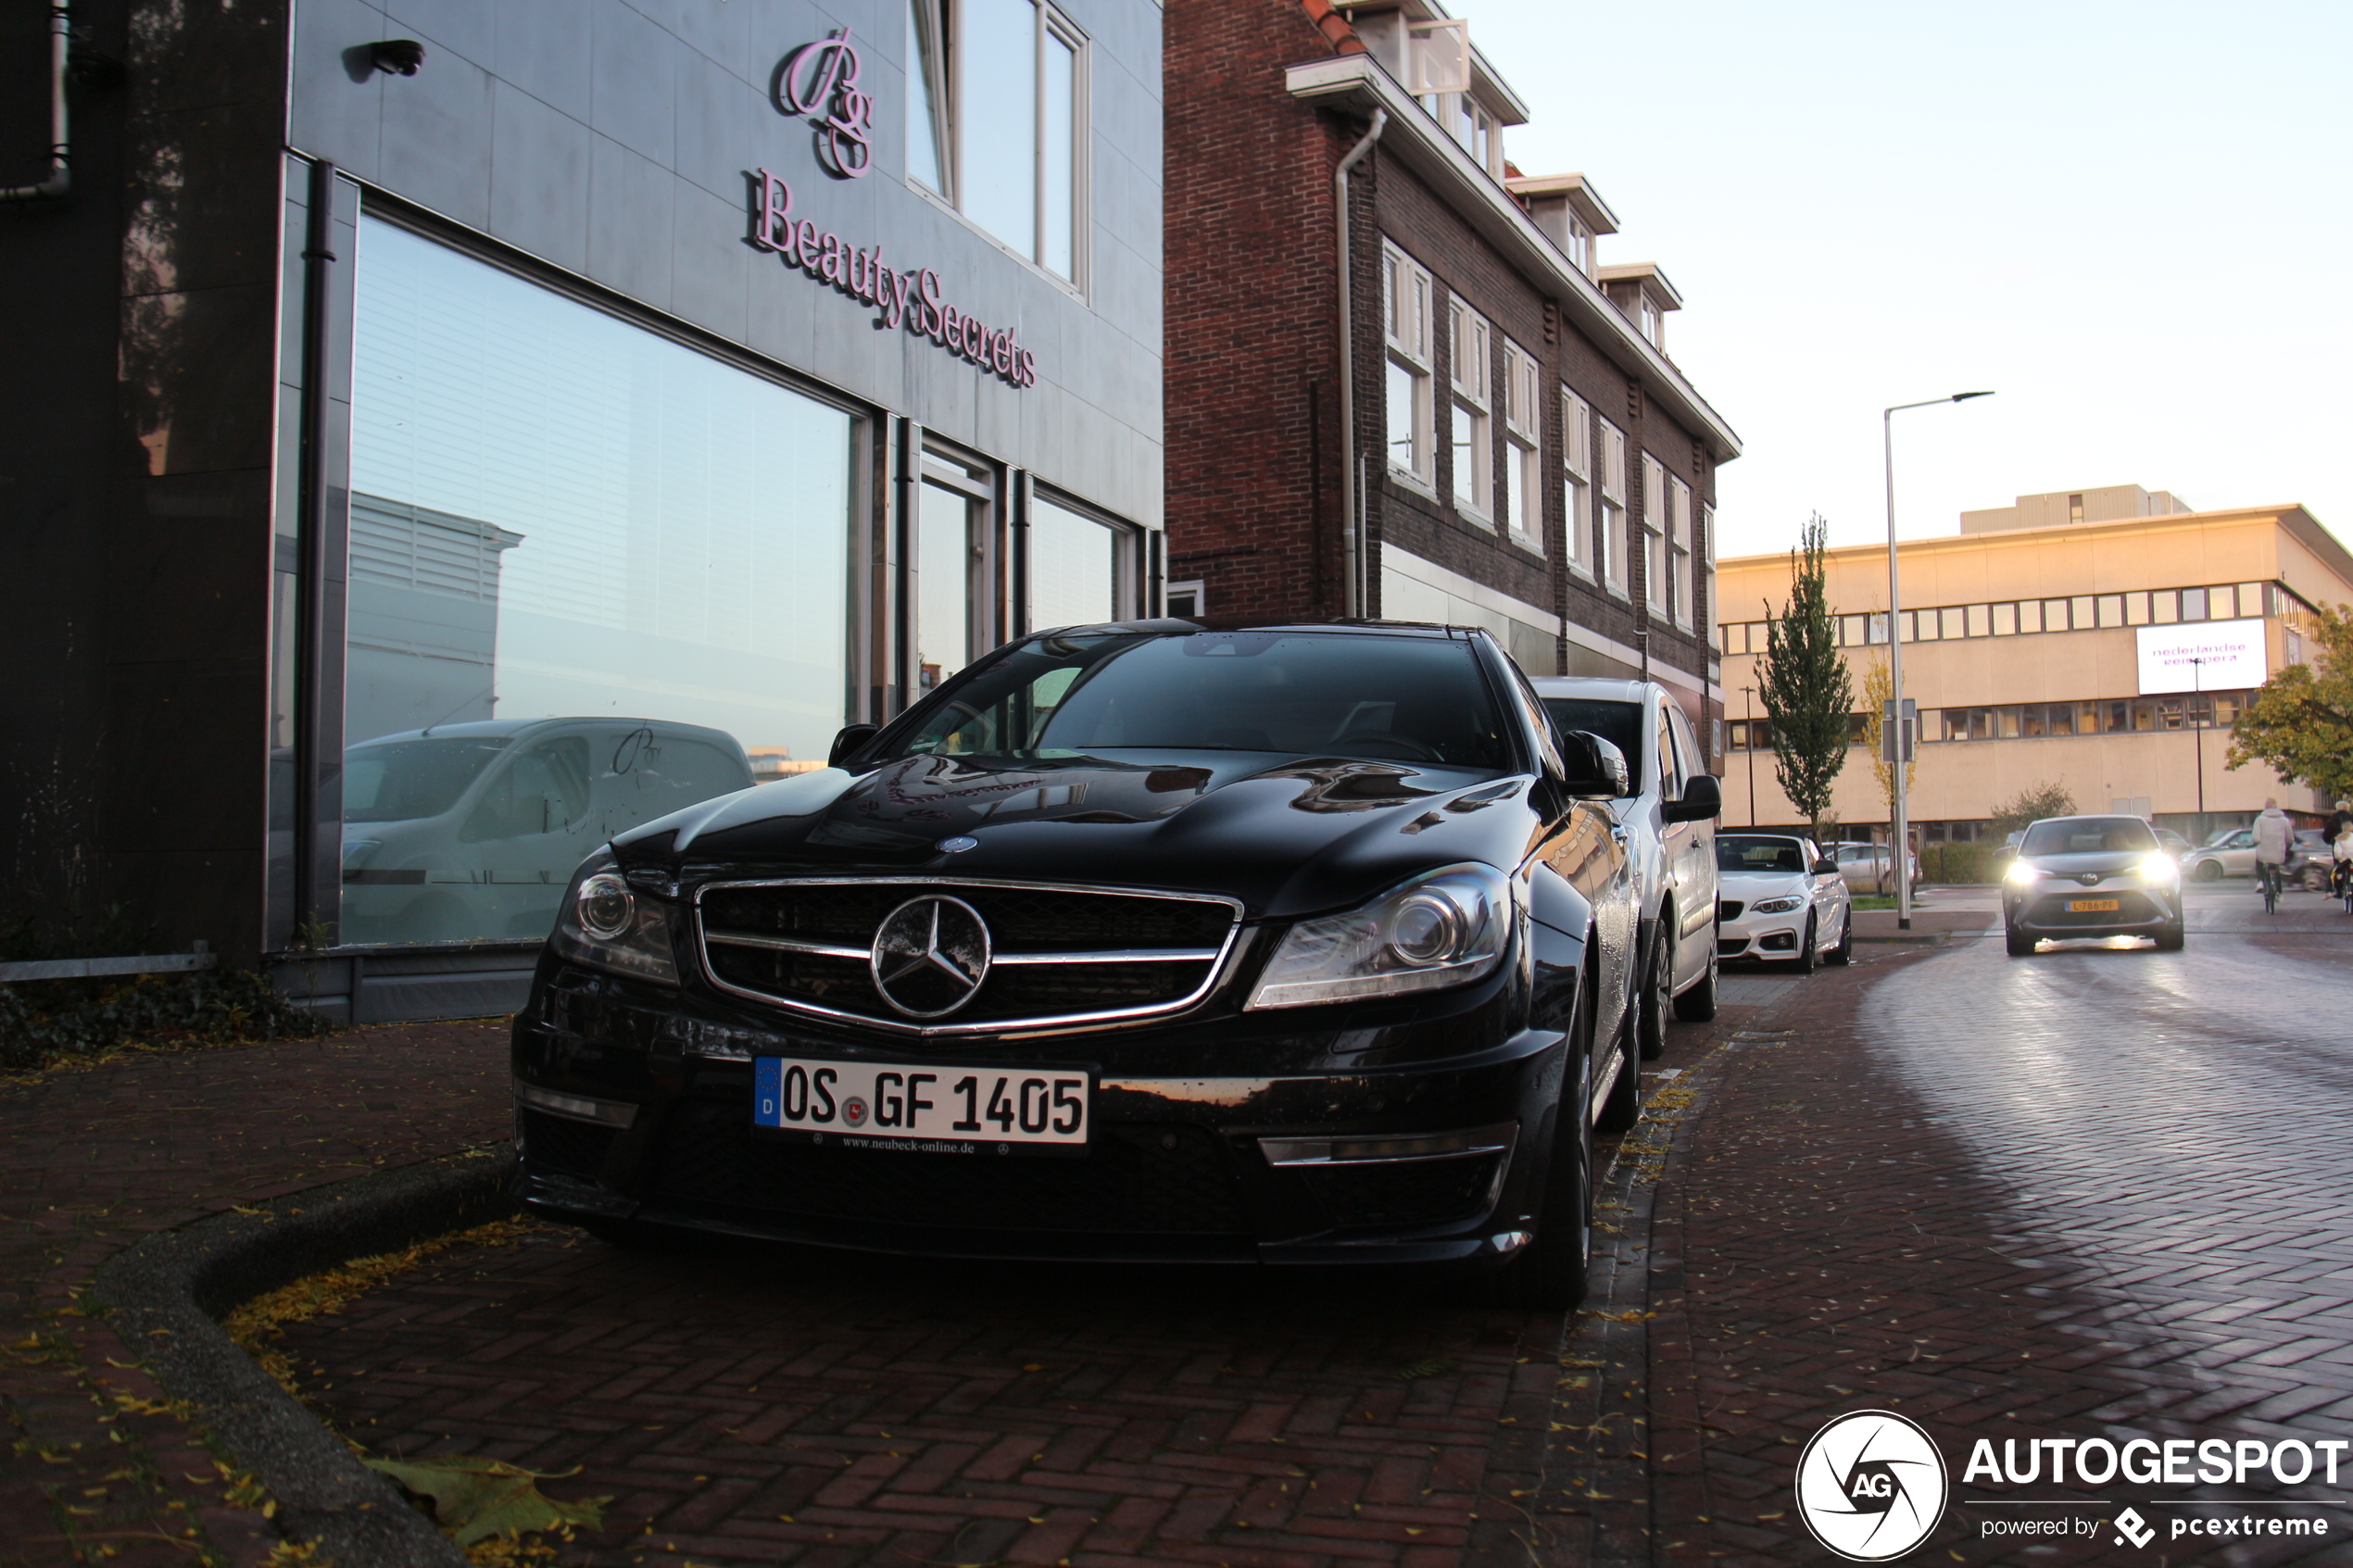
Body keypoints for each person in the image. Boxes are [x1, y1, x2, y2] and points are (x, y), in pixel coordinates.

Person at [2253, 797, 2293, 908]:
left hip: (2264, 850)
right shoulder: (2285, 820)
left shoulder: (2260, 820)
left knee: (2259, 860)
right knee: (2276, 869)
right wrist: (2287, 845)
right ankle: (2279, 893)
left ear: (2266, 807)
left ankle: (2260, 881)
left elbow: (2256, 838)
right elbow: (2290, 838)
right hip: (2278, 850)